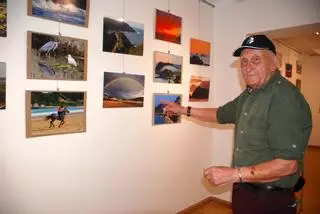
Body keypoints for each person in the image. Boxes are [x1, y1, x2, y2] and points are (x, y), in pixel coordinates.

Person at [162, 34, 312, 214]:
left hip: (270, 200)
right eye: (244, 61)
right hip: (245, 191)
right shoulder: (250, 94)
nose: (248, 67)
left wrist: (233, 174)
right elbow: (220, 114)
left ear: (273, 63)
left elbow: (288, 165)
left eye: (256, 60)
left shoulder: (284, 98)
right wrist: (183, 110)